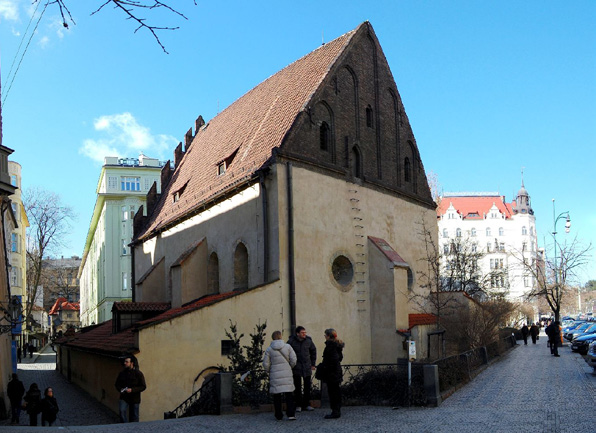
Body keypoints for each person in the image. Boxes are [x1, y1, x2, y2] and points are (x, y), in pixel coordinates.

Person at [263, 330, 297, 421]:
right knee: (289, 394)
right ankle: (291, 414)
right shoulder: (288, 347)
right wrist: (289, 366)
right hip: (287, 373)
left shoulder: (269, 349)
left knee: (277, 396)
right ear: (281, 337)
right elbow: (293, 359)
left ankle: (278, 415)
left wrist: (270, 370)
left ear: (272, 338)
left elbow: (266, 364)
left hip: (275, 374)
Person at [287, 326, 317, 412]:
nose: (304, 334)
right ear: (297, 333)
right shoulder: (291, 342)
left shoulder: (308, 341)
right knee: (297, 387)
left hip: (307, 366)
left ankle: (307, 404)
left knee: (307, 386)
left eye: (305, 332)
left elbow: (313, 351)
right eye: (302, 333)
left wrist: (313, 364)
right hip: (296, 367)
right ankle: (298, 405)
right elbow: (287, 353)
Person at [318, 328, 344, 419]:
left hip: (332, 372)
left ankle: (335, 411)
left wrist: (325, 366)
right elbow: (340, 358)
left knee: (333, 392)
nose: (325, 337)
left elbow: (333, 359)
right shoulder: (337, 345)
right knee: (336, 391)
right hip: (336, 371)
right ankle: (337, 410)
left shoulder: (331, 346)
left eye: (325, 335)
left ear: (328, 336)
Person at [114, 356, 146, 422]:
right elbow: (117, 384)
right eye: (124, 362)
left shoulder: (138, 374)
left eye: (127, 362)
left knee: (134, 416)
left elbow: (143, 386)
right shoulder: (122, 373)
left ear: (132, 363)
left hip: (135, 398)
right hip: (124, 397)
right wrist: (121, 390)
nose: (125, 363)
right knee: (122, 411)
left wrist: (132, 390)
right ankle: (125, 427)